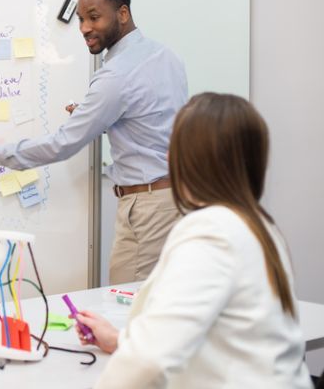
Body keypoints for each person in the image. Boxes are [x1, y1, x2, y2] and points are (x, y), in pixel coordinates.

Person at [0, 0, 188, 284]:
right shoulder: (165, 56)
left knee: (128, 307)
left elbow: (62, 144)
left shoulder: (115, 76)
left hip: (146, 208)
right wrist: (96, 116)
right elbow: (151, 121)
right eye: (80, 19)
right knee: (158, 302)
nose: (84, 29)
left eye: (94, 18)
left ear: (122, 14)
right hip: (172, 199)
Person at [74, 93, 311, 388]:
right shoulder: (258, 225)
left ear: (185, 158)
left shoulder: (211, 233)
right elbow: (208, 332)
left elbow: (148, 361)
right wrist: (120, 340)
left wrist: (131, 353)